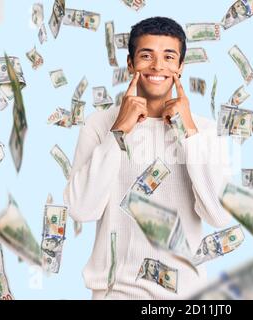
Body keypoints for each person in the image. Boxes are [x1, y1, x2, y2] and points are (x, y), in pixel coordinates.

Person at [64, 17, 232, 300]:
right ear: (130, 64)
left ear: (180, 67)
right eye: (146, 56)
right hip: (115, 292)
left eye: (168, 57)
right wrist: (119, 131)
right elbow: (82, 210)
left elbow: (218, 215)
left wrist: (188, 131)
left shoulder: (205, 130)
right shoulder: (99, 124)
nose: (157, 66)